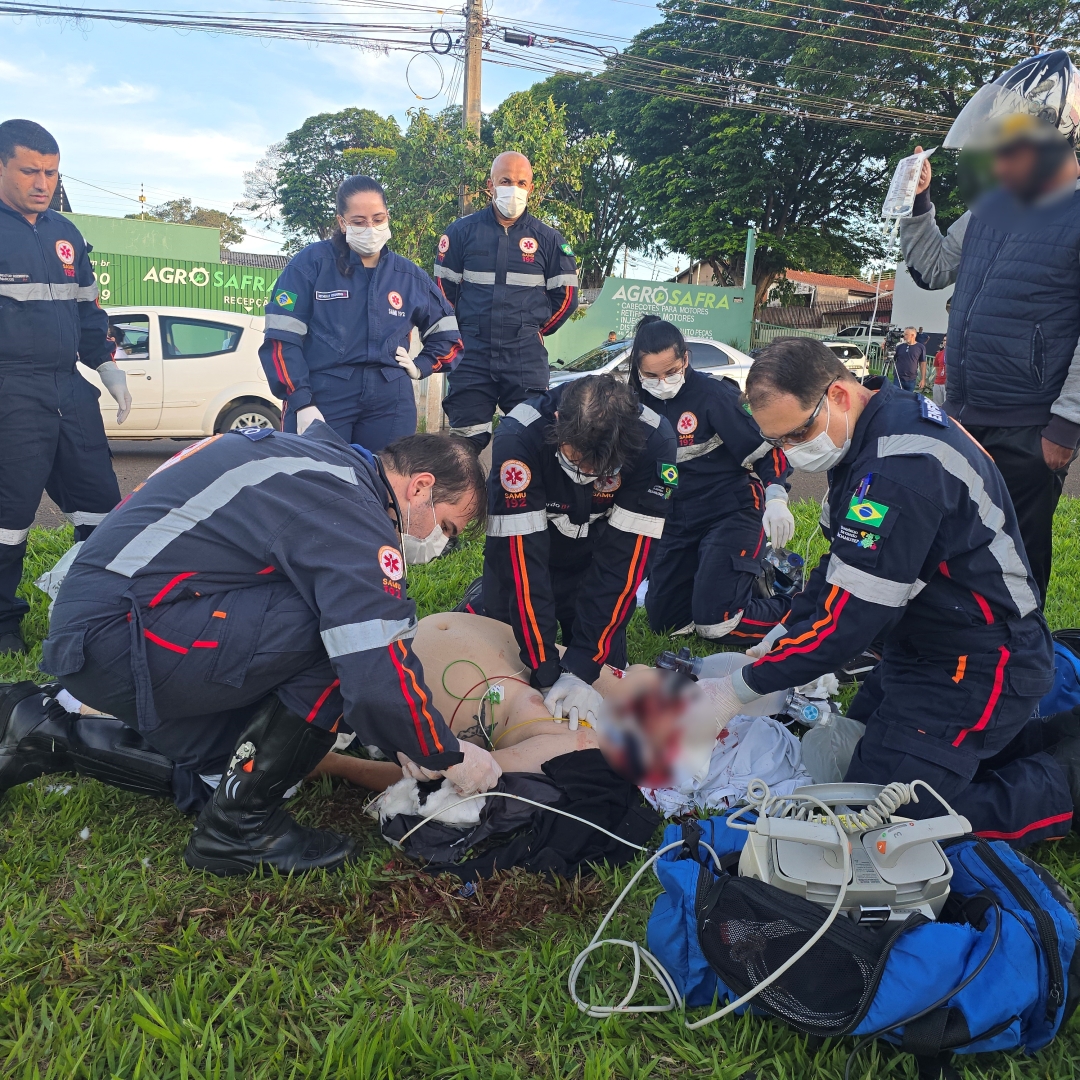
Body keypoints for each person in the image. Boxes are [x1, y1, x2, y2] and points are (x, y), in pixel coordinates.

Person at [33, 425, 493, 875]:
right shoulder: (348, 506)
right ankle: (238, 831)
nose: (442, 544)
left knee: (238, 771)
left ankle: (39, 731)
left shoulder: (315, 466)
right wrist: (440, 749)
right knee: (338, 630)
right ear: (420, 486)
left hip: (107, 628)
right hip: (125, 633)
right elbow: (371, 659)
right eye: (448, 526)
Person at [697, 338, 1074, 846]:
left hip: (979, 662)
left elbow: (850, 621)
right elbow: (841, 565)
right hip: (925, 647)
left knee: (883, 822)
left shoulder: (901, 466)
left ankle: (1065, 788)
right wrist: (784, 633)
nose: (791, 453)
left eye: (796, 434)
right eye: (777, 444)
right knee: (858, 763)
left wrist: (738, 688)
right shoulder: (872, 427)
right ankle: (1050, 740)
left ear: (838, 395)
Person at [900, 50, 1080, 604]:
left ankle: (1019, 669)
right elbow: (931, 268)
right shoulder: (988, 211)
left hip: (1031, 427)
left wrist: (1065, 425)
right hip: (967, 413)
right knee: (958, 542)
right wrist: (919, 200)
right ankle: (959, 656)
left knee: (1018, 557)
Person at [0, 119, 131, 656]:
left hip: (67, 388)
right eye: (30, 170)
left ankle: (92, 613)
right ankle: (5, 624)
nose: (43, 182)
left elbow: (87, 309)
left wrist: (106, 365)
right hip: (10, 389)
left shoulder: (65, 234)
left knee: (103, 509)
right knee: (9, 518)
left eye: (51, 172)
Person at [481, 373, 677, 725]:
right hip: (525, 553)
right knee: (504, 676)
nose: (587, 472)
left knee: (605, 678)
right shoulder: (520, 436)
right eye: (578, 458)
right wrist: (543, 668)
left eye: (601, 466)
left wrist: (583, 664)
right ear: (558, 423)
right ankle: (479, 602)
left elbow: (624, 563)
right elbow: (524, 564)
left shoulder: (656, 440)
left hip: (593, 558)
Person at [260, 175, 462, 449]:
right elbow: (281, 340)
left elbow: (448, 334)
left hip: (391, 398)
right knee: (318, 484)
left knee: (388, 484)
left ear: (387, 217)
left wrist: (421, 366)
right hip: (324, 395)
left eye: (378, 219)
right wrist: (301, 402)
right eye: (359, 222)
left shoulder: (407, 275)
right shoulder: (310, 266)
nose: (370, 228)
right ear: (342, 222)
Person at [626, 316, 795, 642]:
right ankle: (727, 586)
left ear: (686, 359)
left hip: (729, 511)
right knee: (666, 623)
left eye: (671, 371)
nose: (662, 381)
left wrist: (776, 496)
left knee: (716, 624)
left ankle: (803, 609)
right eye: (651, 375)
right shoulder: (632, 404)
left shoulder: (712, 396)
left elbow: (765, 450)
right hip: (676, 520)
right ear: (637, 368)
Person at [435, 151, 580, 450]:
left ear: (530, 188)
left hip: (524, 356)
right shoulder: (461, 232)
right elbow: (442, 293)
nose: (513, 188)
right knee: (464, 445)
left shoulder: (550, 240)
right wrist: (463, 330)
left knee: (528, 442)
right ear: (490, 185)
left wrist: (532, 330)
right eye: (505, 181)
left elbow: (566, 298)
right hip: (472, 353)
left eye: (521, 182)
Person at [891, 327, 926, 393]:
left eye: (906, 334)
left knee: (908, 399)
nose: (904, 336)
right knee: (896, 397)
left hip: (911, 379)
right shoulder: (899, 347)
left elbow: (922, 363)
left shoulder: (920, 347)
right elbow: (890, 358)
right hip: (898, 378)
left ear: (912, 335)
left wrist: (923, 379)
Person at [923, 335, 947, 406]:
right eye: (944, 340)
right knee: (937, 405)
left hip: (948, 384)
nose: (945, 342)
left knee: (948, 407)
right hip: (938, 382)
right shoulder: (939, 354)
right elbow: (937, 367)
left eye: (947, 340)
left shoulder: (955, 354)